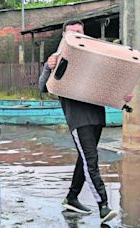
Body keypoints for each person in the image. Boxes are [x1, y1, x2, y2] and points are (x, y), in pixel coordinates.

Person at [39, 19, 133, 223]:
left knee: (85, 160)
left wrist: (123, 95)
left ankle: (72, 198)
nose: (76, 35)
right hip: (78, 119)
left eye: (79, 32)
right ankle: (103, 206)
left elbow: (110, 84)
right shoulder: (57, 59)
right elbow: (43, 87)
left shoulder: (94, 57)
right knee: (91, 161)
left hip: (97, 117)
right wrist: (48, 67)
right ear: (64, 36)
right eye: (72, 32)